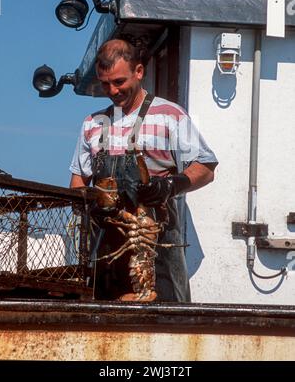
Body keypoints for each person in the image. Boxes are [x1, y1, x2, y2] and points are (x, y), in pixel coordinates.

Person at [70, 39, 218, 302]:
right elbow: (78, 181)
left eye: (119, 81)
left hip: (157, 246)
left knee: (166, 323)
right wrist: (89, 204)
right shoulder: (93, 124)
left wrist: (172, 185)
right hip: (108, 249)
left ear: (139, 71)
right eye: (105, 83)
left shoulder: (169, 115)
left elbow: (206, 167)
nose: (112, 90)